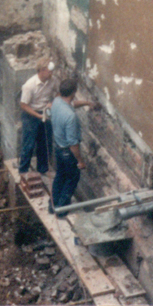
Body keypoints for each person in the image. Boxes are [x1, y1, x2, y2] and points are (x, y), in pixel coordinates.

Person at [49, 76, 98, 216]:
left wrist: (88, 103)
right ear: (73, 92)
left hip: (57, 147)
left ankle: (52, 206)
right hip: (67, 152)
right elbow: (73, 144)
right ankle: (61, 210)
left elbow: (73, 103)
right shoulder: (71, 117)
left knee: (60, 176)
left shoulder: (57, 101)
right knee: (72, 178)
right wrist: (80, 161)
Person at [18, 59, 56, 175]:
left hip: (44, 112)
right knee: (28, 144)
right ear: (42, 70)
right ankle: (23, 171)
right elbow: (24, 105)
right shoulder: (29, 86)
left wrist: (52, 103)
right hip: (31, 115)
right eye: (49, 71)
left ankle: (42, 169)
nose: (51, 74)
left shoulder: (52, 81)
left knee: (45, 143)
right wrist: (38, 116)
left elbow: (59, 92)